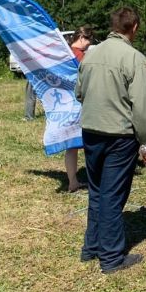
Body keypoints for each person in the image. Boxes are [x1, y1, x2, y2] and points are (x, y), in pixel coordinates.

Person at [76, 7, 146, 274]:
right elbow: (144, 110)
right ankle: (111, 258)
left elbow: (79, 93)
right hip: (119, 136)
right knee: (112, 196)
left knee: (97, 191)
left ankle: (91, 247)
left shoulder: (90, 54)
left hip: (91, 131)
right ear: (134, 28)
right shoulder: (134, 58)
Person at [64, 26, 94, 192]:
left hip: (67, 105)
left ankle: (72, 181)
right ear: (82, 38)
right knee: (90, 142)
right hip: (82, 103)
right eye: (88, 40)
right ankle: (94, 179)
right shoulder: (80, 56)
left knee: (72, 146)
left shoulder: (65, 53)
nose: (89, 44)